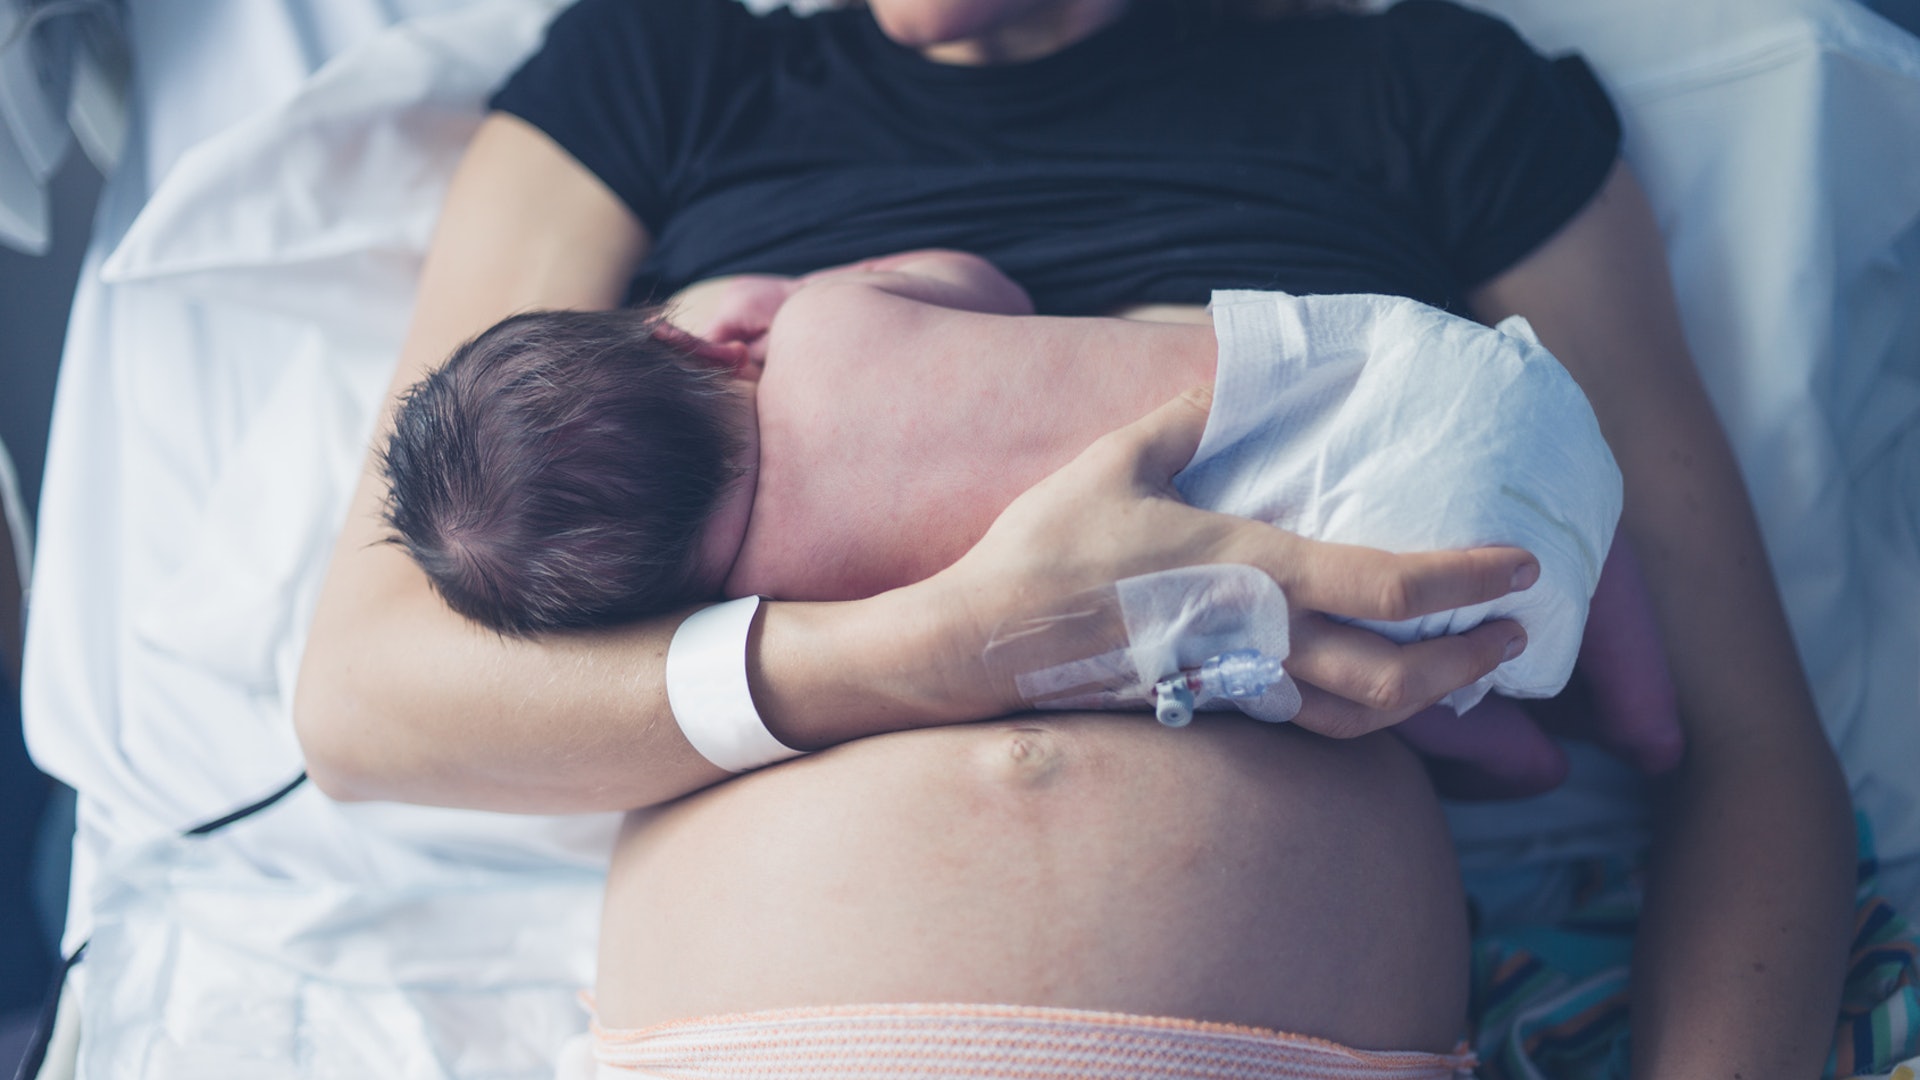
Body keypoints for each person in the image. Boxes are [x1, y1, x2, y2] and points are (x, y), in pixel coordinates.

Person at [291, 0, 1853, 1076]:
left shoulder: (1439, 100)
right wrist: (933, 648)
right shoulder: (663, 74)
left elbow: (1745, 749)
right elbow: (370, 698)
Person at [381, 248, 1679, 792]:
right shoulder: (818, 322)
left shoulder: (792, 608)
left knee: (1413, 688)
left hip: (1303, 582)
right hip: (1411, 379)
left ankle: (1549, 752)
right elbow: (981, 287)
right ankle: (1648, 699)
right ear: (718, 337)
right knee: (1543, 467)